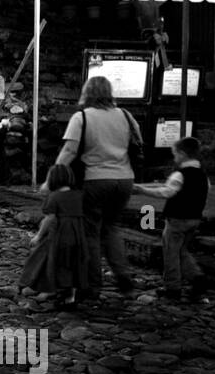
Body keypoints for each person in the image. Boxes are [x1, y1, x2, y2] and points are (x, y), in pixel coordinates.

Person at [55, 75, 143, 296]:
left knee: (90, 232)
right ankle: (123, 277)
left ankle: (93, 285)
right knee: (111, 228)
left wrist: (52, 177)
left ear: (88, 92)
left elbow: (70, 151)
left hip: (95, 179)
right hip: (124, 179)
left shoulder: (81, 117)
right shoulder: (126, 115)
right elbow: (138, 142)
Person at [135, 136, 210, 300]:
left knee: (170, 253)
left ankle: (173, 287)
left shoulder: (179, 175)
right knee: (182, 251)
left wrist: (141, 190)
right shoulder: (203, 176)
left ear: (182, 154)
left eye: (175, 154)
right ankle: (197, 277)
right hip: (195, 218)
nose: (174, 157)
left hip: (177, 218)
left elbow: (166, 192)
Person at [21, 163, 91, 308]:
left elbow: (49, 218)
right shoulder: (79, 195)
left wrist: (39, 236)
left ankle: (50, 289)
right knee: (73, 264)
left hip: (60, 235)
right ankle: (70, 297)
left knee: (55, 263)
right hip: (78, 235)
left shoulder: (55, 197)